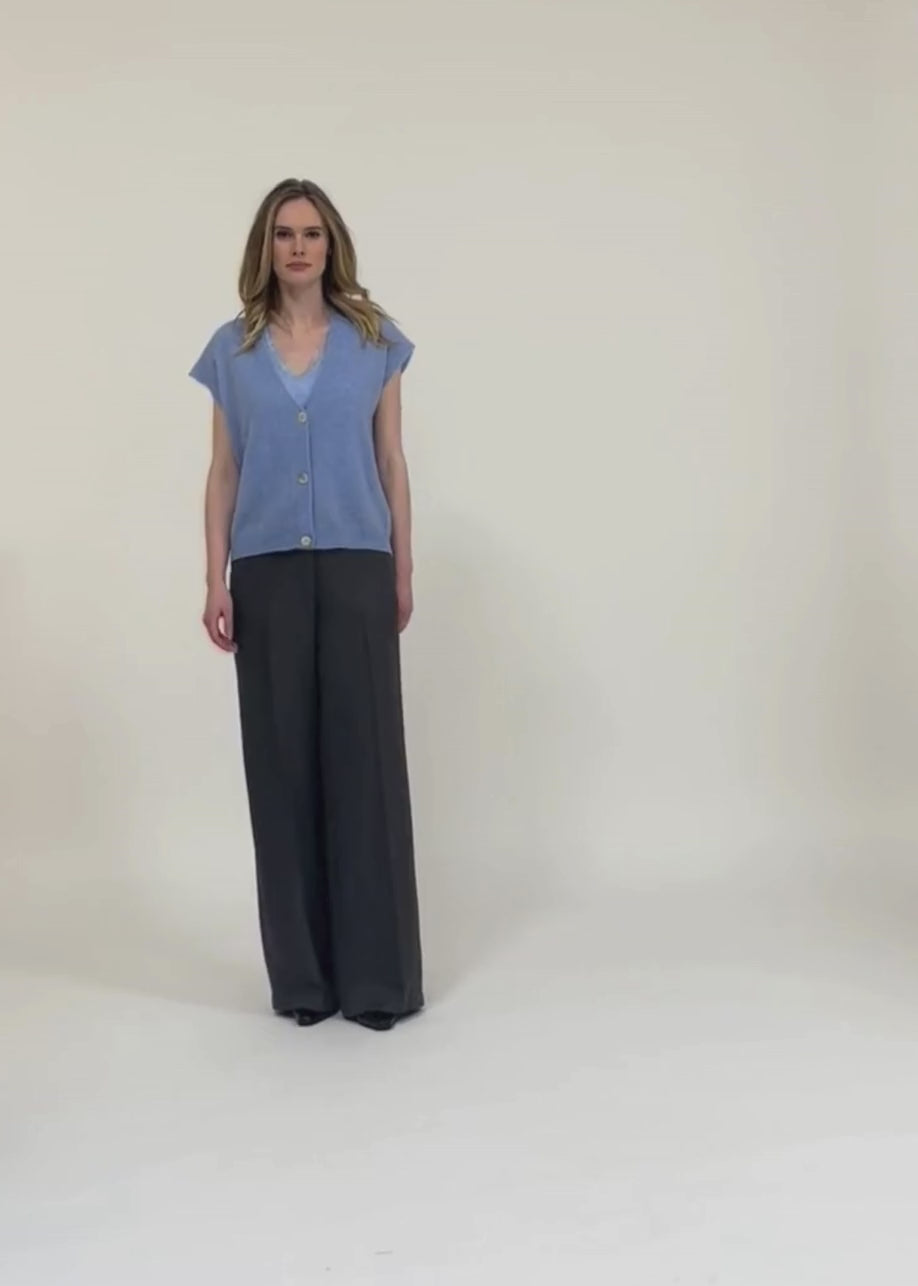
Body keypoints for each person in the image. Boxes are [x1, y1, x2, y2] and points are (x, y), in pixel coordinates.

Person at [188, 178, 424, 1032]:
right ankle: (303, 983)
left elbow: (390, 460)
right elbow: (223, 470)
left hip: (358, 563)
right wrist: (214, 576)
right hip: (265, 573)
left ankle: (378, 981)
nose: (298, 247)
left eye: (312, 233)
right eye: (284, 233)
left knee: (365, 765)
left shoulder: (374, 340)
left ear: (332, 246)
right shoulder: (233, 349)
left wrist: (402, 566)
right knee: (282, 767)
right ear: (266, 246)